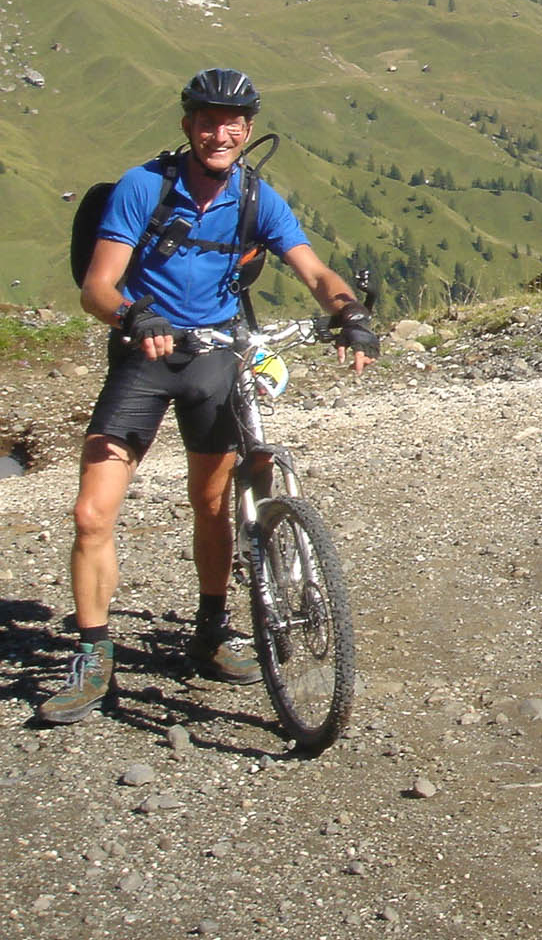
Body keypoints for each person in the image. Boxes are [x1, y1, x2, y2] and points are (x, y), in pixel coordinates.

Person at [37, 68, 381, 726]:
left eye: (232, 124)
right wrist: (135, 315)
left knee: (213, 503)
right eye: (206, 121)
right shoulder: (144, 187)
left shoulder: (255, 196)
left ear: (247, 130)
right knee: (91, 512)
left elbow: (313, 270)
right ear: (187, 125)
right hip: (145, 357)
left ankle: (211, 630)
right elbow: (97, 288)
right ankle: (92, 656)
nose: (219, 134)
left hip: (216, 359)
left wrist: (351, 314)